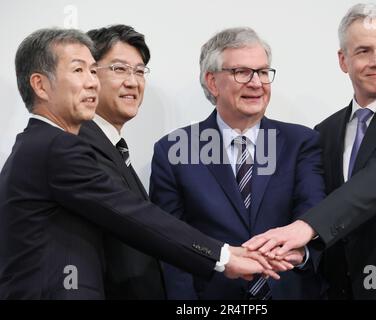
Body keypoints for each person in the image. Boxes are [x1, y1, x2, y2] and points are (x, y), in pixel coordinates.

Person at [0, 28, 285, 299]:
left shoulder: (43, 145)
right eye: (78, 70)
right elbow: (133, 216)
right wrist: (223, 256)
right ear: (40, 85)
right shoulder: (56, 146)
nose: (91, 82)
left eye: (91, 70)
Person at [244, 4, 376, 299]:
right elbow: (320, 199)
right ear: (343, 60)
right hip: (341, 289)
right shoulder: (324, 132)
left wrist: (307, 227)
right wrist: (300, 250)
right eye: (364, 51)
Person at [149, 27, 326, 300]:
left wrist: (300, 254)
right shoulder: (173, 150)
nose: (257, 83)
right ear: (212, 82)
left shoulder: (301, 141)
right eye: (242, 72)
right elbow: (170, 244)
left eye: (263, 72)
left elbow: (314, 214)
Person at [77, 25, 165, 299]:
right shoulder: (78, 147)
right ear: (90, 75)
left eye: (139, 71)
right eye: (119, 69)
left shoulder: (113, 147)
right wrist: (221, 256)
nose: (133, 81)